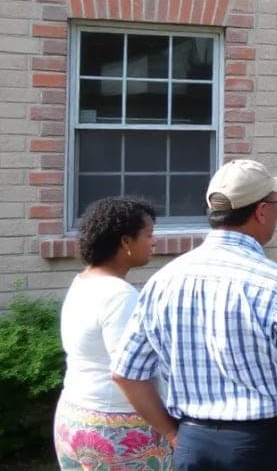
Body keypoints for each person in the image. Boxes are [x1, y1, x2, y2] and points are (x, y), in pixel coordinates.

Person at [113, 159, 277, 470]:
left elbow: (126, 373)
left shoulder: (163, 281)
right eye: (276, 202)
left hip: (194, 444)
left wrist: (173, 434)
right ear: (261, 211)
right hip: (268, 447)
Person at [53, 197, 172, 470]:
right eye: (148, 235)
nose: (154, 242)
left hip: (73, 416)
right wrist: (170, 432)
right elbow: (127, 374)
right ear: (125, 242)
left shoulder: (83, 281)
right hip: (115, 428)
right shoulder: (119, 296)